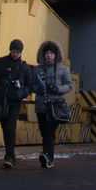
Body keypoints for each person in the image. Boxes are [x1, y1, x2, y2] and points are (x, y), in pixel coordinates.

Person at [0, 39, 40, 169]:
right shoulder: (0, 63)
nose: (15, 54)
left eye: (17, 52)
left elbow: (30, 84)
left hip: (15, 101)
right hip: (2, 99)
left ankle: (9, 156)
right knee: (6, 128)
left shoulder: (24, 68)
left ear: (21, 52)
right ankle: (9, 155)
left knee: (10, 126)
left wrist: (21, 93)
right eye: (13, 51)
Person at [33, 40, 73, 169]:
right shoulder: (37, 69)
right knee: (44, 132)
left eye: (51, 53)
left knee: (49, 131)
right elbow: (31, 84)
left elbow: (69, 85)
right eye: (47, 53)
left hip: (55, 105)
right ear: (43, 54)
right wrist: (36, 88)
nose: (49, 55)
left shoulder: (63, 69)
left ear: (56, 55)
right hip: (41, 105)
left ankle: (48, 156)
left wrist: (57, 89)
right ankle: (47, 155)